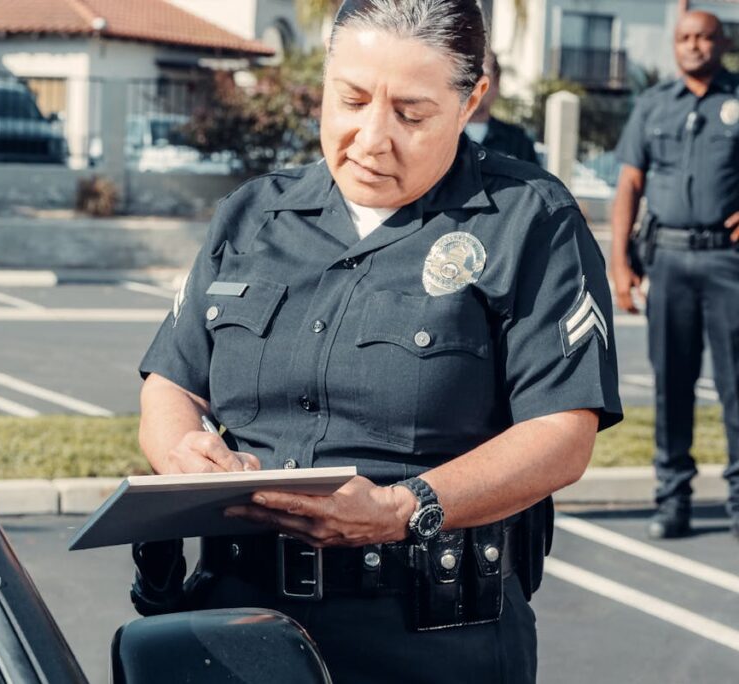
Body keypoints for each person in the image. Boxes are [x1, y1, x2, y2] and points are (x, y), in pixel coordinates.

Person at [137, 0, 621, 681]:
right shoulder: (254, 215)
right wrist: (183, 456)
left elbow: (563, 432)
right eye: (352, 99)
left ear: (471, 99)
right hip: (236, 626)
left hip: (429, 639)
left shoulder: (528, 222)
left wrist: (402, 509)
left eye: (411, 114)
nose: (371, 138)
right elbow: (173, 381)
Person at [612, 10, 739, 541]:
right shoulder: (653, 103)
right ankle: (672, 499)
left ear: (722, 41)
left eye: (704, 37)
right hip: (668, 261)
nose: (694, 45)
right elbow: (629, 186)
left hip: (728, 263)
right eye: (685, 37)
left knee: (736, 387)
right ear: (675, 44)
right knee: (671, 387)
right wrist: (619, 263)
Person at [464, 51, 540, 164]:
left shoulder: (518, 142)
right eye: (469, 75)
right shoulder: (439, 136)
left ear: (496, 84)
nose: (475, 85)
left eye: (482, 76)